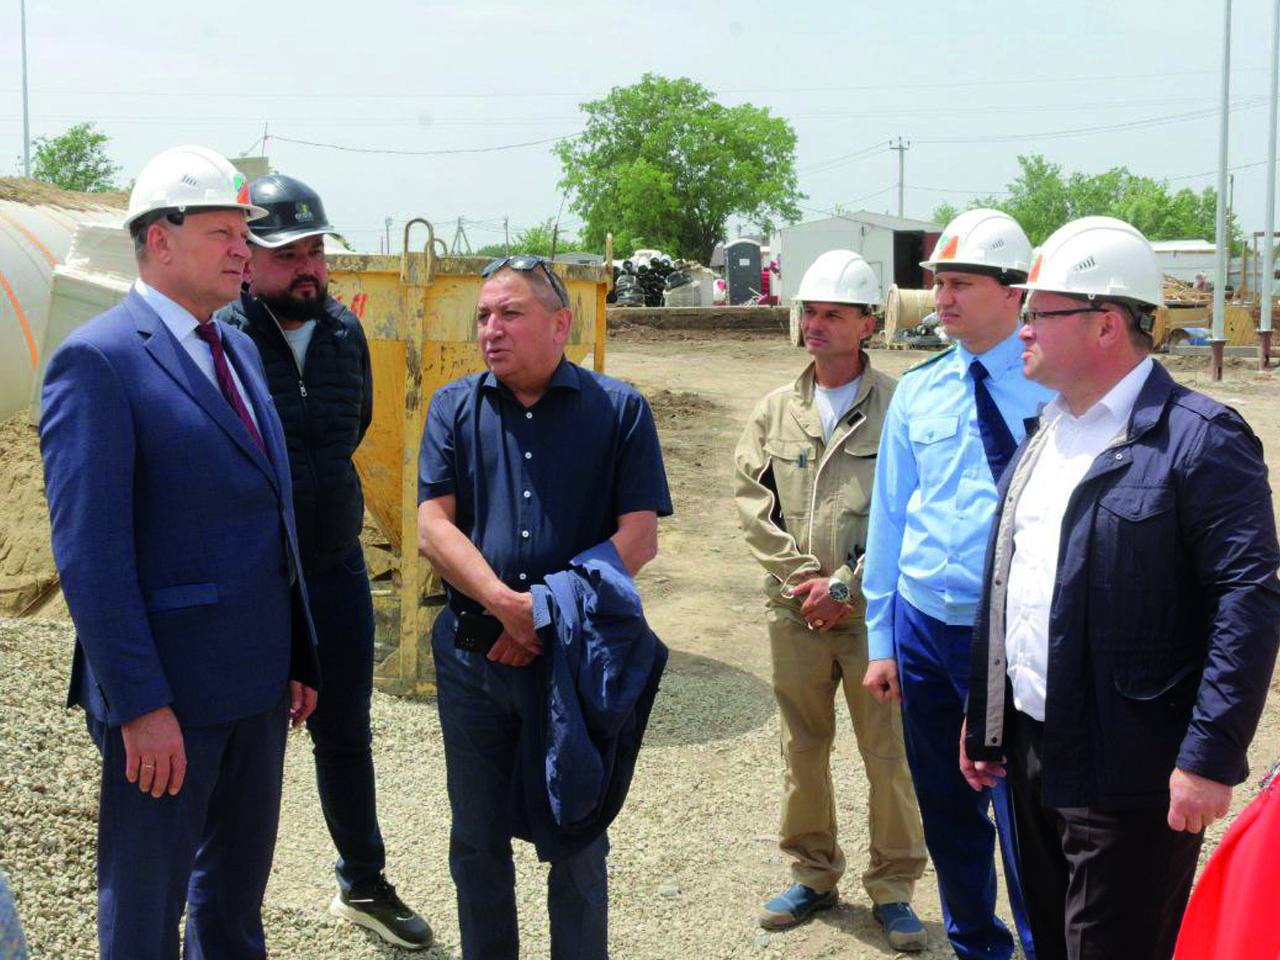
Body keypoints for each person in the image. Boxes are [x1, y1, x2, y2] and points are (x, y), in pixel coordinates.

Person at [962, 216, 1280, 960]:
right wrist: (987, 714)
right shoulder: (1047, 433)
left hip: (1135, 771)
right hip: (1033, 752)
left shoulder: (1200, 440)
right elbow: (1011, 586)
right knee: (1051, 942)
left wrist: (1209, 758)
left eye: (1040, 312)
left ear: (1105, 324)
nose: (1022, 328)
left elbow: (1247, 602)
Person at [39, 145, 321, 959]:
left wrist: (296, 653)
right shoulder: (98, 360)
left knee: (233, 905)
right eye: (223, 233)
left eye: (244, 234)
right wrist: (140, 706)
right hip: (169, 700)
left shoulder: (235, 347)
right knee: (145, 908)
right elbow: (90, 554)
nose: (243, 250)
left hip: (256, 688)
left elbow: (270, 515)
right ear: (159, 239)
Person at [417, 254, 673, 959]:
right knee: (476, 840)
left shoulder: (618, 410)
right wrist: (505, 605)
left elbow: (638, 538)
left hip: (575, 661)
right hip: (474, 658)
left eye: (510, 313)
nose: (490, 330)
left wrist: (545, 612)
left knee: (578, 840)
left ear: (562, 325)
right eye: (482, 316)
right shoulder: (453, 407)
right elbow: (433, 528)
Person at [215, 174, 432, 950]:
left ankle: (363, 883)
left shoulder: (344, 333)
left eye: (315, 252)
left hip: (335, 570)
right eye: (288, 255)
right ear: (247, 261)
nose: (308, 268)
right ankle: (222, 899)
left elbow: (351, 428)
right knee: (246, 743)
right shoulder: (220, 340)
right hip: (254, 582)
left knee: (345, 734)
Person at [861, 209, 1047, 960]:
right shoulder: (921, 389)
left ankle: (1041, 944)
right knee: (945, 804)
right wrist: (880, 639)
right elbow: (889, 518)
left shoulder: (1052, 387)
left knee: (1022, 808)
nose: (941, 298)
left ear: (1015, 292)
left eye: (961, 283)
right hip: (922, 626)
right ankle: (976, 944)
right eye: (939, 283)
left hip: (1008, 634)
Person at [733, 250, 928, 951]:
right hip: (795, 614)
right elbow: (752, 505)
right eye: (808, 312)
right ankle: (813, 876)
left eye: (833, 314)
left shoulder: (901, 407)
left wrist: (845, 584)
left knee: (888, 755)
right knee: (803, 750)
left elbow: (912, 509)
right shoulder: (774, 410)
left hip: (874, 617)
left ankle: (894, 888)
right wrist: (803, 582)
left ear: (867, 323)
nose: (815, 324)